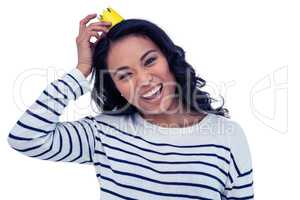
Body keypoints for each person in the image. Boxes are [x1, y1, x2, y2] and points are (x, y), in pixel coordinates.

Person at [7, 13, 254, 199]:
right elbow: (25, 138)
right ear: (116, 87)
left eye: (150, 61)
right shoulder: (103, 132)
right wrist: (82, 70)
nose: (144, 80)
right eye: (125, 75)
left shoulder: (228, 137)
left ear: (169, 57)